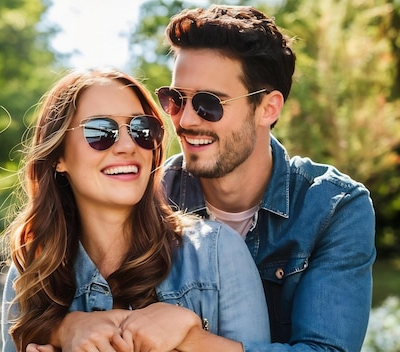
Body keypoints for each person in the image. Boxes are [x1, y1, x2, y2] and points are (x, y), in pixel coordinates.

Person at [0, 67, 270, 352]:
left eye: (142, 129)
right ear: (58, 157)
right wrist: (63, 329)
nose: (128, 146)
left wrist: (189, 337)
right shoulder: (32, 272)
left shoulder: (217, 253)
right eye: (101, 131)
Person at [156, 4, 377, 352]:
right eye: (175, 99)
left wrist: (193, 341)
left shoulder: (332, 209)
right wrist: (67, 327)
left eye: (208, 103)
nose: (185, 120)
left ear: (268, 108)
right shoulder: (151, 196)